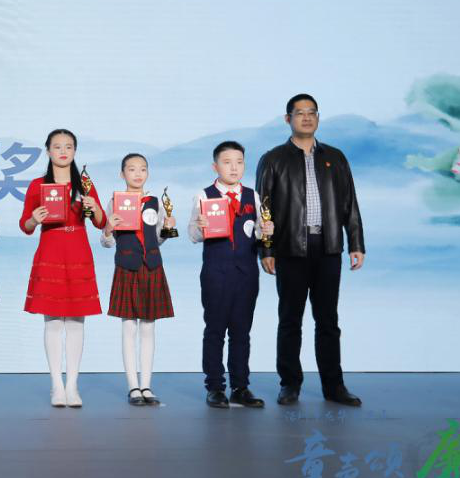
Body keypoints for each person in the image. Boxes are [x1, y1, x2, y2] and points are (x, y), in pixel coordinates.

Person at [255, 94, 365, 407]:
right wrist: (266, 250)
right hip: (290, 248)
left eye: (312, 112)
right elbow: (263, 209)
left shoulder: (335, 157)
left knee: (328, 320)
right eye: (300, 112)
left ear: (318, 117)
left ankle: (334, 386)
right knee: (290, 320)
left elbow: (349, 203)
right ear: (287, 118)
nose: (306, 117)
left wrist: (356, 243)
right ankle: (290, 384)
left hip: (328, 247)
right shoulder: (274, 159)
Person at [19, 129, 105, 408]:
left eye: (68, 146)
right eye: (57, 146)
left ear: (75, 151)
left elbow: (102, 223)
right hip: (51, 252)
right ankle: (57, 385)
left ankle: (73, 385)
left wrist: (94, 206)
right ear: (48, 151)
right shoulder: (37, 185)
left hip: (78, 252)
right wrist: (34, 218)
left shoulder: (85, 184)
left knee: (77, 322)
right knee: (53, 322)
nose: (63, 151)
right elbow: (25, 226)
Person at [188, 141, 273, 409]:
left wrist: (267, 230)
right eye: (227, 162)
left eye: (239, 162)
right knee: (215, 330)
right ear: (215, 166)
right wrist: (200, 226)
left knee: (242, 331)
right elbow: (193, 235)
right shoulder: (204, 195)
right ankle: (215, 387)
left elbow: (257, 232)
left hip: (246, 273)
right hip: (216, 271)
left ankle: (240, 387)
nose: (234, 168)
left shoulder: (252, 195)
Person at [100, 153, 175, 407]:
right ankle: (133, 386)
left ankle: (147, 385)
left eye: (143, 169)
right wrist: (108, 229)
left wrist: (168, 228)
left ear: (148, 173)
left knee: (149, 328)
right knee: (129, 328)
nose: (138, 174)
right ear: (122, 174)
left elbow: (158, 238)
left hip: (152, 265)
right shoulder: (115, 201)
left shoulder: (155, 201)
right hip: (127, 266)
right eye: (131, 169)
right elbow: (106, 242)